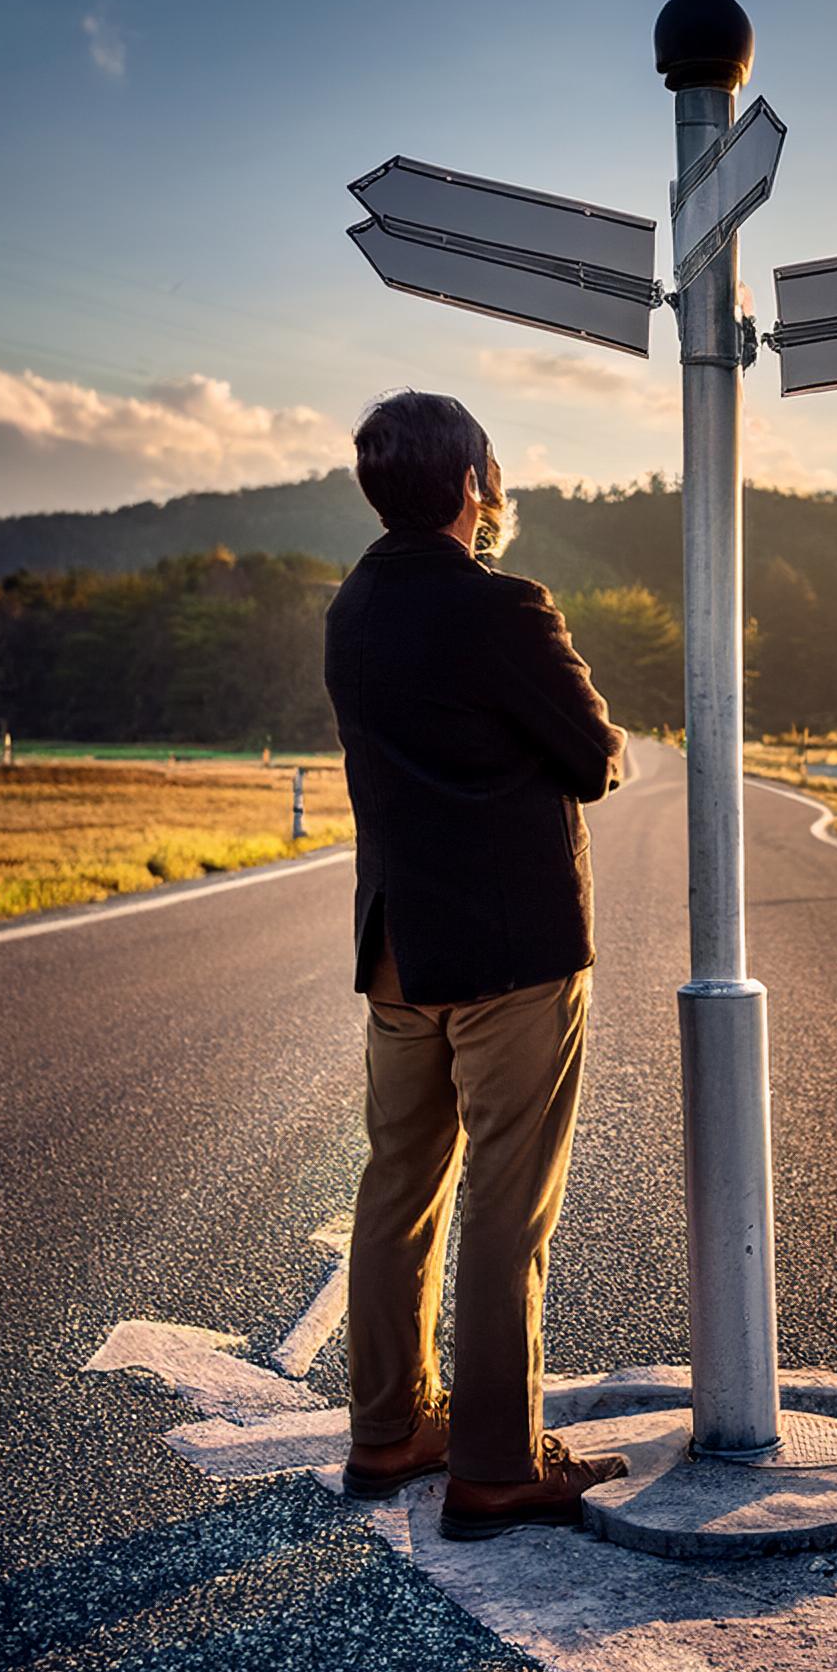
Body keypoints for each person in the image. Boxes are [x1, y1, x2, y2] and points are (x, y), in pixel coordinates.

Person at [322, 389, 629, 1541]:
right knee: (508, 1201)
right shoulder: (505, 606)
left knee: (397, 1190)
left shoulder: (350, 608)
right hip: (510, 954)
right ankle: (498, 1460)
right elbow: (594, 755)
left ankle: (390, 1424)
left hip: (399, 948)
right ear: (470, 483)